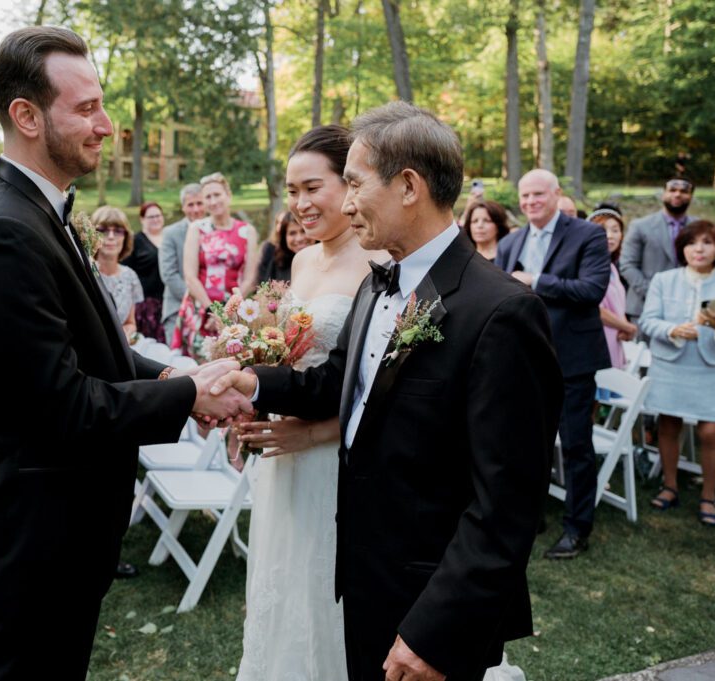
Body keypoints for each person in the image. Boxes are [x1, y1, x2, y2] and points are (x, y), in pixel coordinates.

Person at [0, 27, 249, 680]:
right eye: (85, 108)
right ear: (25, 115)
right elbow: (63, 406)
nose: (106, 125)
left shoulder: (36, 210)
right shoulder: (2, 230)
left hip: (58, 523)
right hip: (34, 530)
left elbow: (93, 348)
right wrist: (191, 396)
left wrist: (175, 372)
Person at [215, 102, 561, 681]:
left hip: (430, 602)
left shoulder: (501, 313)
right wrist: (249, 380)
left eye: (352, 184)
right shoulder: (379, 287)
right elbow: (335, 383)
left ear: (408, 186)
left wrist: (434, 631)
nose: (344, 203)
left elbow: (507, 506)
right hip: (361, 580)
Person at [234, 125, 385, 680]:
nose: (298, 205)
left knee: (330, 592)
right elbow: (286, 361)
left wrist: (317, 432)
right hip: (284, 457)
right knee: (285, 582)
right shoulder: (300, 263)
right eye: (290, 191)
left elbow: (384, 385)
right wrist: (250, 397)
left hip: (338, 456)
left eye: (312, 188)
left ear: (349, 185)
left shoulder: (379, 265)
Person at [495, 169, 611, 560]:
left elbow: (593, 290)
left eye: (538, 195)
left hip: (573, 359)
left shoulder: (587, 234)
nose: (530, 202)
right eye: (524, 196)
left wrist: (536, 280)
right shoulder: (511, 241)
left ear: (557, 194)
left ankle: (578, 528)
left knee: (576, 445)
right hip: (524, 357)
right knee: (524, 441)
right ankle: (532, 515)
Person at [639, 220, 715, 526]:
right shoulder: (664, 279)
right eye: (691, 243)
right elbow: (647, 322)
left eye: (707, 242)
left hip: (712, 366)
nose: (698, 249)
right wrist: (672, 329)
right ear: (682, 248)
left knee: (711, 431)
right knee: (668, 424)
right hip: (671, 364)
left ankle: (709, 496)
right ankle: (670, 486)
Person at [177, 172, 259, 354]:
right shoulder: (197, 228)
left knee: (232, 364)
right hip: (201, 309)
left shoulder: (247, 231)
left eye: (217, 195)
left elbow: (250, 278)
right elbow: (190, 276)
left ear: (228, 195)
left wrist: (227, 314)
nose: (213, 201)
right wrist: (213, 312)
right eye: (208, 197)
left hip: (234, 310)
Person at [619, 178, 697, 321]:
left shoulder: (700, 228)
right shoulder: (640, 226)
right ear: (663, 194)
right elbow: (627, 265)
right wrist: (654, 292)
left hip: (689, 308)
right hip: (644, 306)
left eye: (684, 191)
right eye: (672, 190)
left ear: (691, 196)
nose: (678, 194)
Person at [589, 208, 638, 369]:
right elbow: (594, 308)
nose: (610, 235)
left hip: (615, 340)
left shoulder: (612, 267)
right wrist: (626, 326)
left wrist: (624, 328)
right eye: (603, 230)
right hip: (597, 341)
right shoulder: (588, 267)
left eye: (615, 230)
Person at [159, 183, 205, 342]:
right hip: (178, 309)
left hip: (213, 312)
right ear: (183, 208)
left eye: (199, 203)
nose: (196, 209)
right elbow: (169, 275)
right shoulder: (171, 233)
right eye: (190, 204)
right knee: (180, 364)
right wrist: (201, 301)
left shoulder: (216, 231)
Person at [91, 206, 143, 339]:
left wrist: (127, 333)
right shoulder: (86, 274)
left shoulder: (130, 276)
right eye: (103, 230)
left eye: (118, 231)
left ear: (126, 237)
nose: (111, 237)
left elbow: (130, 323)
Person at [122, 201, 166, 341]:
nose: (155, 219)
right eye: (151, 217)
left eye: (158, 215)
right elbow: (125, 272)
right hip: (146, 304)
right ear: (142, 219)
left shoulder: (169, 238)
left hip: (169, 300)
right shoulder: (135, 241)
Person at [257, 210, 310, 283]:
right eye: (292, 233)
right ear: (284, 238)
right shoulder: (277, 261)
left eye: (303, 231)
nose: (299, 238)